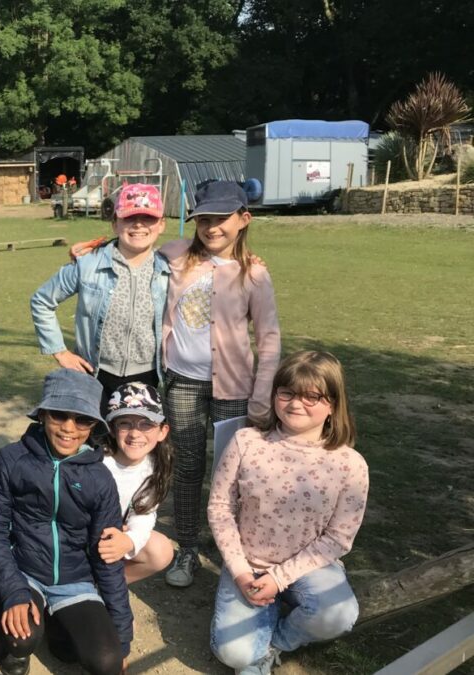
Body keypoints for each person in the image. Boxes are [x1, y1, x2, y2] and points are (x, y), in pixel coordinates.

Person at [208, 350, 367, 674]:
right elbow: (220, 507)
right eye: (287, 392)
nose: (296, 403)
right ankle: (255, 634)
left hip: (310, 568)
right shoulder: (246, 441)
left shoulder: (350, 464)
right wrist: (240, 571)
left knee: (337, 614)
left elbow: (338, 538)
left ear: (333, 405)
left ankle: (275, 642)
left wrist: (279, 579)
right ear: (274, 394)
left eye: (312, 396)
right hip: (248, 565)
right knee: (235, 656)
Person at [160, 180, 281, 588]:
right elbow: (130, 246)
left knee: (232, 474)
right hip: (182, 385)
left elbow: (269, 338)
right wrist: (87, 248)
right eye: (204, 219)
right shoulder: (176, 254)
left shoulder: (255, 273)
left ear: (244, 219)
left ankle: (238, 552)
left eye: (221, 219)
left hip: (235, 391)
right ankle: (188, 547)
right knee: (188, 468)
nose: (212, 228)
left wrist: (261, 398)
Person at [0, 368, 131, 675]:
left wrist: (122, 637)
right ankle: (17, 650)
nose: (69, 428)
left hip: (75, 582)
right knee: (21, 638)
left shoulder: (100, 479)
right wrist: (13, 590)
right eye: (59, 415)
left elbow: (108, 556)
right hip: (24, 572)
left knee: (106, 661)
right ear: (43, 415)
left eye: (82, 419)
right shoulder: (10, 460)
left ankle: (58, 629)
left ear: (93, 425)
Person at [31, 183, 171, 416]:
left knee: (132, 442)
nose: (138, 225)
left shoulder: (171, 268)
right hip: (94, 373)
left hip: (146, 375)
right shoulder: (88, 264)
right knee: (95, 443)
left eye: (148, 217)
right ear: (115, 223)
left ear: (161, 224)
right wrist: (59, 350)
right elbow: (41, 301)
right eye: (129, 217)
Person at [95, 382, 176, 583]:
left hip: (112, 536)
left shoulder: (155, 467)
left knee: (161, 551)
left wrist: (129, 541)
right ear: (112, 429)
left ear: (162, 431)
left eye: (146, 424)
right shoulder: (96, 461)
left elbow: (144, 514)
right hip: (79, 537)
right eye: (125, 423)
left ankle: (104, 586)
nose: (135, 434)